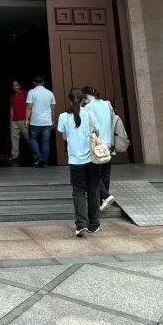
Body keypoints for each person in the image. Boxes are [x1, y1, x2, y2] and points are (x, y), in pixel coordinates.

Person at [58, 87, 101, 237]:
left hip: (75, 160)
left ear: (69, 100)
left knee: (78, 192)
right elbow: (98, 132)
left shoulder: (64, 116)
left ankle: (81, 224)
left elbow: (64, 137)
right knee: (93, 190)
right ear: (83, 100)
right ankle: (94, 224)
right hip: (92, 159)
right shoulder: (89, 114)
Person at [82, 86, 117, 212]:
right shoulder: (107, 104)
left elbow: (89, 126)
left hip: (97, 144)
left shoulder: (88, 107)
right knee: (105, 173)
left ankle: (105, 196)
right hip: (108, 143)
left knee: (94, 173)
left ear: (86, 95)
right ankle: (104, 200)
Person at [25, 76, 57, 167]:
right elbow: (53, 109)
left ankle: (39, 158)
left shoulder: (31, 92)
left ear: (34, 83)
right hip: (47, 122)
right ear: (43, 82)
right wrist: (53, 120)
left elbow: (28, 107)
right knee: (45, 142)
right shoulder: (50, 93)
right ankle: (45, 160)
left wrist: (26, 119)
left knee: (32, 139)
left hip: (35, 121)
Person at [8, 79, 28, 166]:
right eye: (13, 85)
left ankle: (37, 155)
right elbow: (11, 109)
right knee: (14, 138)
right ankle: (15, 156)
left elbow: (29, 106)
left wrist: (28, 119)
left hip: (24, 120)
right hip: (15, 121)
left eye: (16, 85)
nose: (14, 87)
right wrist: (11, 121)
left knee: (29, 137)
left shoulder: (25, 93)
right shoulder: (12, 96)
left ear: (20, 86)